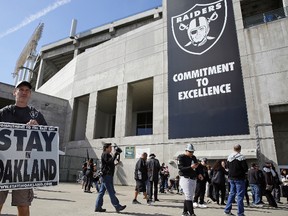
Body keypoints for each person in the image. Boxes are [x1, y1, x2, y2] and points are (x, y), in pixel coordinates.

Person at [0, 80, 47, 216]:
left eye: (27, 90)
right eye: (21, 89)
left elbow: (48, 139)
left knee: (23, 205)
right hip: (2, 165)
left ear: (30, 94)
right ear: (15, 92)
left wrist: (38, 128)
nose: (24, 92)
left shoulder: (36, 115)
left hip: (24, 167)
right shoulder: (4, 113)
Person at [95, 143, 126, 212]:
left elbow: (110, 164)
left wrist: (117, 156)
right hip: (107, 176)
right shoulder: (105, 154)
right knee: (111, 191)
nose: (111, 149)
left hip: (106, 175)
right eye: (110, 147)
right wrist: (115, 154)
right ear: (106, 148)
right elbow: (110, 161)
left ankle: (98, 206)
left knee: (101, 192)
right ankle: (117, 206)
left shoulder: (106, 155)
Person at [178, 143, 203, 216]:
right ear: (186, 150)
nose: (192, 153)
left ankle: (185, 212)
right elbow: (181, 168)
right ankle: (192, 213)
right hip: (185, 178)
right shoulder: (181, 157)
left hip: (193, 178)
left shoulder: (194, 157)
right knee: (189, 196)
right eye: (190, 151)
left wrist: (199, 174)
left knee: (189, 196)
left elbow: (197, 167)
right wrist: (190, 167)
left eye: (192, 151)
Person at [224, 144, 248, 216]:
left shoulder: (229, 157)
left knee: (231, 194)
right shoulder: (241, 157)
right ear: (240, 149)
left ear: (233, 149)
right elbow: (245, 168)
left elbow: (227, 167)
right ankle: (240, 213)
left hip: (231, 178)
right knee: (240, 196)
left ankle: (227, 210)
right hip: (239, 178)